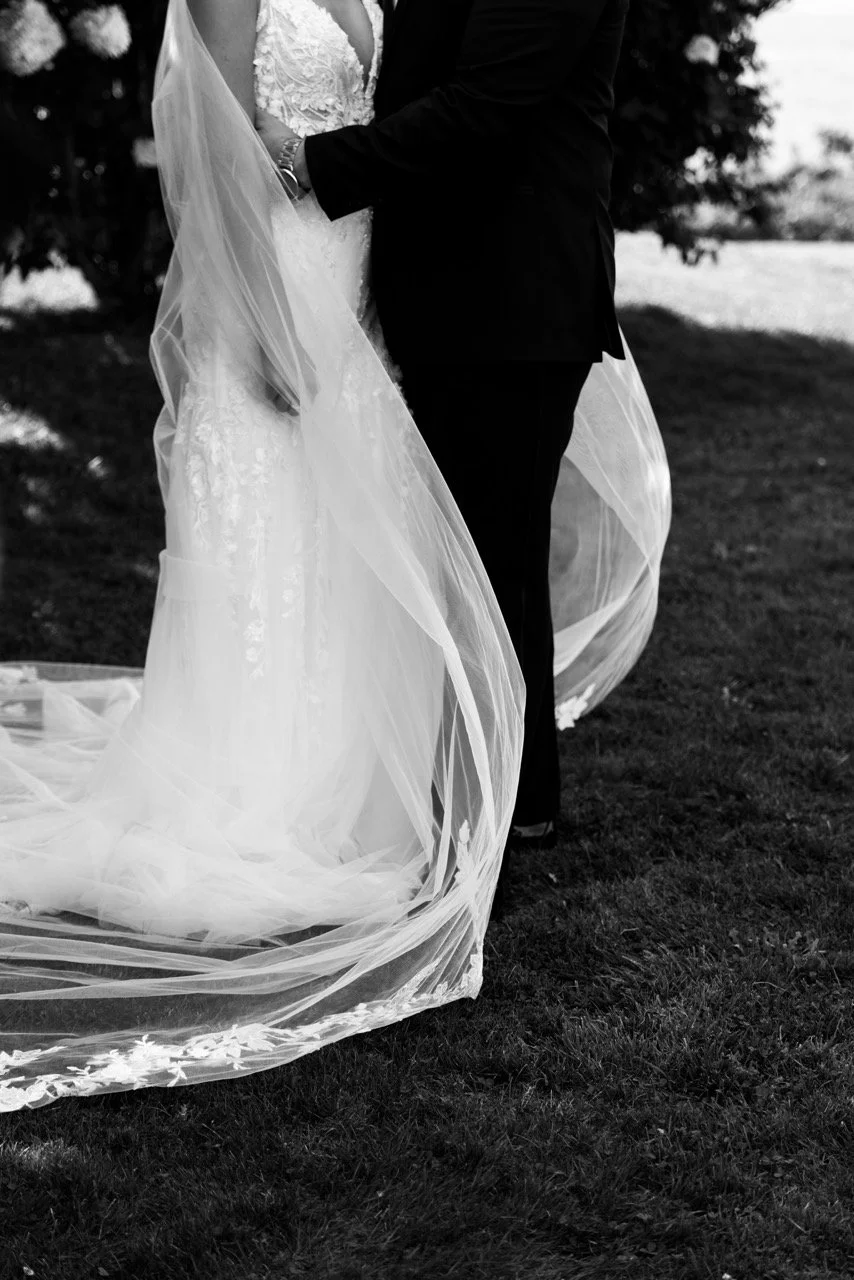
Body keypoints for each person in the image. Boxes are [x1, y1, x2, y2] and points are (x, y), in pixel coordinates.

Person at [0, 0, 668, 1112]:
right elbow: (211, 163)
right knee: (288, 529)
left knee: (419, 546)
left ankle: (463, 796)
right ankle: (330, 780)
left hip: (376, 285)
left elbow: (480, 105)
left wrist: (318, 171)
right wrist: (254, 311)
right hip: (282, 284)